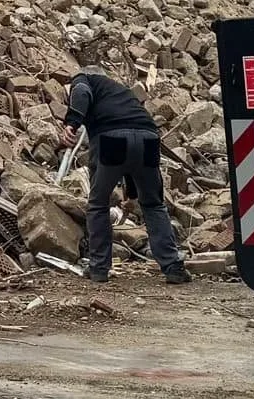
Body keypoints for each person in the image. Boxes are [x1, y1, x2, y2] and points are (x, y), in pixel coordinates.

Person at [63, 69, 189, 284]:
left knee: (98, 205)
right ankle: (173, 267)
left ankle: (99, 268)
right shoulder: (120, 92)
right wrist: (132, 194)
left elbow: (82, 92)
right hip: (148, 138)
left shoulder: (84, 80)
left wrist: (72, 123)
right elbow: (132, 146)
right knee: (154, 204)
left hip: (112, 138)